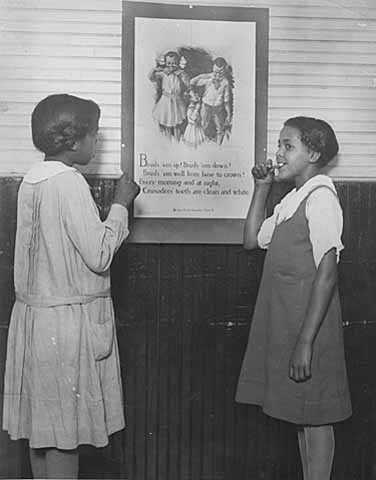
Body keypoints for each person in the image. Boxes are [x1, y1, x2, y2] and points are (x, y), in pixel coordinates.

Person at [2, 94, 140, 479]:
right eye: (94, 136)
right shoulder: (70, 183)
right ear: (74, 140)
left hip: (34, 321)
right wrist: (121, 204)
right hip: (65, 329)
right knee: (65, 432)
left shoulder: (33, 180)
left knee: (43, 433)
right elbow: (98, 254)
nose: (96, 144)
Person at [236, 117, 352, 480]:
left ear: (313, 154)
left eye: (288, 146)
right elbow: (252, 239)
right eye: (279, 144)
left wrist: (306, 342)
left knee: (316, 418)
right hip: (288, 322)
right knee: (301, 416)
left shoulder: (322, 198)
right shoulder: (292, 199)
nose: (278, 153)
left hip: (310, 327)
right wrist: (261, 188)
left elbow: (327, 271)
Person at [189, 57, 232, 145]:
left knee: (220, 128)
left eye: (221, 72)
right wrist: (201, 78)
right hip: (206, 106)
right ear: (213, 68)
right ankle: (203, 148)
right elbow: (193, 81)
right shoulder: (208, 78)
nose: (218, 74)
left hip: (218, 108)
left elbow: (226, 100)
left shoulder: (225, 83)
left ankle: (219, 147)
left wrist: (228, 114)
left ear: (225, 70)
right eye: (216, 71)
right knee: (203, 125)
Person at [148, 50, 190, 141]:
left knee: (177, 124)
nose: (171, 66)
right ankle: (167, 141)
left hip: (177, 101)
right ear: (165, 63)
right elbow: (151, 78)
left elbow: (188, 84)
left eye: (174, 63)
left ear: (178, 63)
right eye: (169, 63)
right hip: (166, 100)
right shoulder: (163, 73)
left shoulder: (180, 74)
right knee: (166, 122)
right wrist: (154, 70)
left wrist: (183, 75)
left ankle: (177, 141)